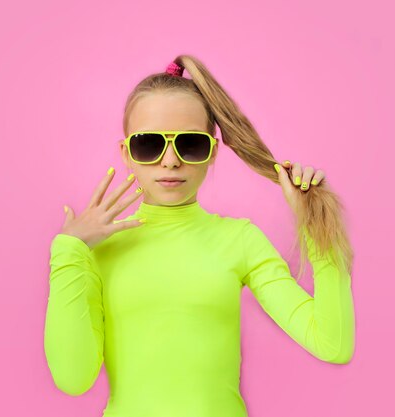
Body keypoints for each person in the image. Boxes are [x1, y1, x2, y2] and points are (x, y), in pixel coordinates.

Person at [44, 55, 356, 417]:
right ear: (126, 154)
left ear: (212, 153)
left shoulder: (239, 239)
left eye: (190, 144)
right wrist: (69, 253)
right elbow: (73, 378)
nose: (171, 161)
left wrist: (317, 224)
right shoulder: (97, 250)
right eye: (149, 145)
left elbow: (332, 344)